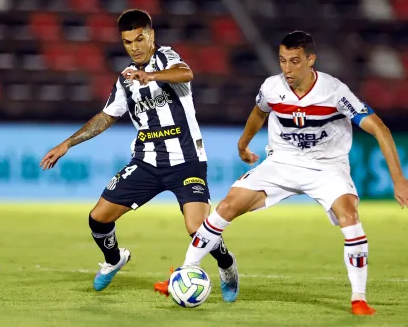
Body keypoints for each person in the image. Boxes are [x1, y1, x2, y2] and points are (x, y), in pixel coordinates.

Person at [171, 31, 408, 315]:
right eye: (282, 61)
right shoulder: (273, 87)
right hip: (281, 163)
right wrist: (243, 144)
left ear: (311, 60)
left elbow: (378, 128)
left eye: (295, 61)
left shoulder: (334, 91)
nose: (287, 69)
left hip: (326, 166)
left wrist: (399, 179)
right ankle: (187, 270)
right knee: (226, 206)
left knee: (350, 215)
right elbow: (259, 112)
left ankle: (359, 298)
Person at [39, 9, 239, 302]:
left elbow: (187, 73)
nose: (134, 46)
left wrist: (150, 76)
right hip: (146, 163)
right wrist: (68, 143)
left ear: (151, 35)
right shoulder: (125, 80)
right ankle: (115, 258)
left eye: (139, 38)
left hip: (186, 162)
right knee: (98, 219)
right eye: (127, 42)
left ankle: (227, 265)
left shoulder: (167, 59)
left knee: (197, 229)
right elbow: (106, 116)